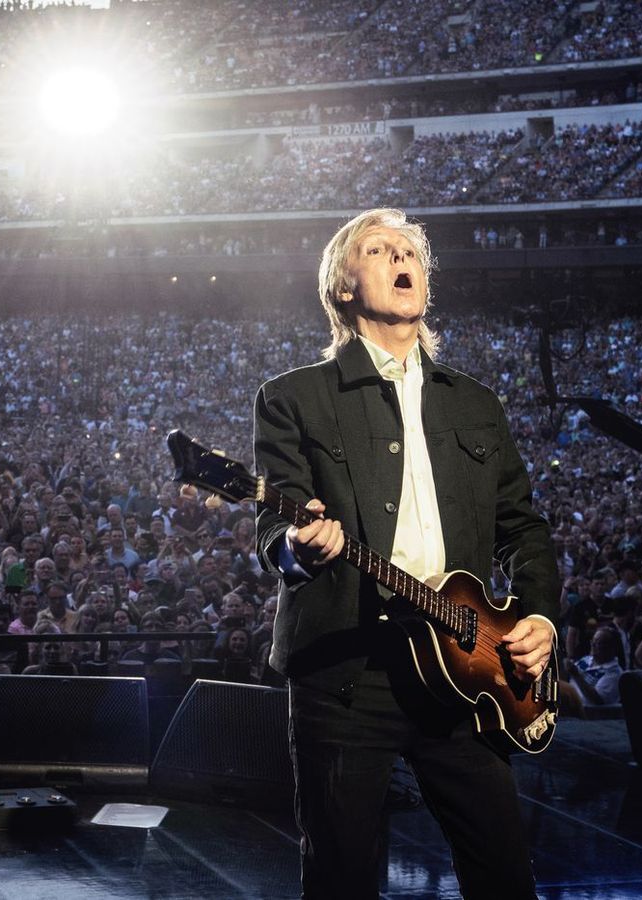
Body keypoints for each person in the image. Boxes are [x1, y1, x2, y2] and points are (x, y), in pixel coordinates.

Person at [253, 208, 557, 899]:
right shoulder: (293, 399)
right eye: (379, 248)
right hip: (345, 676)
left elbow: (526, 529)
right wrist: (300, 547)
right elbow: (276, 531)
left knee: (506, 873)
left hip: (466, 670)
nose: (403, 257)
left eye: (412, 249)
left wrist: (538, 616)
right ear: (344, 287)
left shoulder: (476, 405)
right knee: (343, 877)